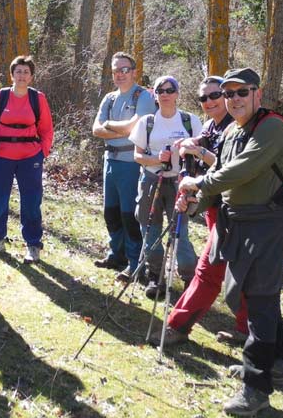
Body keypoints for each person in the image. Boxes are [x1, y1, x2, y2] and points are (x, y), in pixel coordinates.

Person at [178, 68, 283, 416]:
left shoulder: (272, 127)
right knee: (250, 295)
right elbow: (220, 180)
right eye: (228, 94)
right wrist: (194, 203)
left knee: (260, 299)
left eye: (242, 92)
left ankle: (256, 389)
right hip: (236, 222)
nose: (234, 99)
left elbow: (242, 169)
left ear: (258, 93)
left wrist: (198, 184)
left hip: (266, 224)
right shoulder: (231, 131)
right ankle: (276, 362)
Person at [159, 76, 248, 346]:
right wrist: (189, 144)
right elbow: (205, 143)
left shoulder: (238, 126)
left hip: (234, 210)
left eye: (214, 95)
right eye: (203, 98)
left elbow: (228, 168)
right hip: (215, 207)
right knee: (238, 270)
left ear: (227, 96)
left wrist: (197, 151)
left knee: (209, 271)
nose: (209, 102)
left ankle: (177, 326)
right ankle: (247, 329)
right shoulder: (212, 125)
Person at [128, 75, 201, 298]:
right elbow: (137, 155)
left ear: (177, 93)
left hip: (181, 182)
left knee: (181, 232)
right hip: (151, 180)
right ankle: (155, 276)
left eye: (170, 90)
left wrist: (187, 150)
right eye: (161, 91)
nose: (165, 95)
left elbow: (201, 151)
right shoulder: (147, 122)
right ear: (155, 95)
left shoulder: (190, 121)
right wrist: (157, 159)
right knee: (150, 228)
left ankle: (190, 279)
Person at [0, 55, 54, 263]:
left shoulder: (37, 98)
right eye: (18, 71)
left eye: (26, 72)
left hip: (30, 158)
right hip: (0, 156)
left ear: (31, 77)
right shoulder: (0, 96)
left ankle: (32, 245)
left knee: (31, 202)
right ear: (12, 75)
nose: (22, 75)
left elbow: (47, 128)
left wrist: (43, 152)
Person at [91, 52, 156, 274]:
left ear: (134, 72)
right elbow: (96, 129)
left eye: (124, 70)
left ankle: (135, 262)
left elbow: (134, 127)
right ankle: (115, 255)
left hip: (132, 163)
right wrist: (122, 129)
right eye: (116, 70)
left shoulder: (143, 97)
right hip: (110, 161)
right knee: (111, 212)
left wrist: (109, 125)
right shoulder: (109, 98)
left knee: (130, 214)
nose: (120, 74)